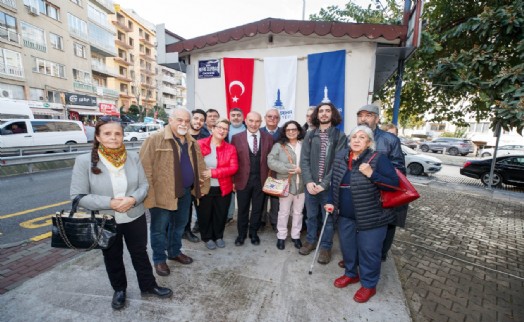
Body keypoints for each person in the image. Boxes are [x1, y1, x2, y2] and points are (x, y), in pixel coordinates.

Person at [70, 118, 172, 310]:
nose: (113, 138)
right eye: (107, 134)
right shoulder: (83, 161)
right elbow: (78, 196)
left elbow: (144, 185)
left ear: (123, 136)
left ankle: (149, 286)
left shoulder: (133, 157)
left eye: (117, 133)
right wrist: (110, 203)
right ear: (98, 137)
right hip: (106, 219)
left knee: (140, 253)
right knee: (112, 256)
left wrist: (132, 199)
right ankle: (119, 290)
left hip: (134, 214)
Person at [325, 125, 399, 303]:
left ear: (369, 142)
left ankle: (368, 285)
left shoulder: (378, 159)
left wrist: (372, 174)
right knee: (348, 248)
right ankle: (351, 274)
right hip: (345, 215)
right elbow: (334, 181)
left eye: (362, 137)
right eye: (354, 137)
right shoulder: (341, 157)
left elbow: (394, 184)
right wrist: (329, 200)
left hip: (372, 216)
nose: (356, 140)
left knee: (369, 252)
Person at [140, 107, 210, 277]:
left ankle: (174, 251)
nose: (184, 123)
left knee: (179, 225)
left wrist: (202, 185)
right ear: (170, 120)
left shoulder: (191, 141)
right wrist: (149, 195)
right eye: (180, 120)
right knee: (159, 228)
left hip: (185, 191)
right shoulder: (155, 139)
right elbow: (144, 168)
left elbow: (200, 165)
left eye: (187, 121)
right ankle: (159, 259)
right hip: (162, 193)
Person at [299, 102, 347, 264]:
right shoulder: (310, 135)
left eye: (328, 111)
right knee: (311, 216)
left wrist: (324, 183)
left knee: (328, 219)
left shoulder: (340, 136)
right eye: (321, 111)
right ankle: (311, 241)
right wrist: (308, 181)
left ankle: (325, 247)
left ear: (332, 114)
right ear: (317, 115)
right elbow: (304, 160)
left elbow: (338, 163)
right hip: (311, 186)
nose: (324, 114)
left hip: (329, 187)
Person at [357, 104, 405, 262]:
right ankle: (356, 256)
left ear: (377, 119)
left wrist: (375, 175)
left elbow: (398, 171)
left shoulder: (390, 139)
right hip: (360, 194)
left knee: (381, 231)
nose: (363, 119)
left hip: (381, 195)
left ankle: (379, 258)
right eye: (360, 115)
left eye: (368, 115)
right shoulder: (352, 137)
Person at [231, 111, 273, 246]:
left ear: (261, 122)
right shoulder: (236, 138)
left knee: (257, 209)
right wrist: (232, 180)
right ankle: (241, 235)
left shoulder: (268, 138)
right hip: (242, 180)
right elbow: (233, 160)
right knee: (242, 209)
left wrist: (270, 179)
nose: (254, 124)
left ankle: (253, 233)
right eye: (251, 121)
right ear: (246, 121)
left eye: (257, 121)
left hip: (261, 180)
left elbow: (271, 161)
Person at [197, 119, 239, 249]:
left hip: (223, 187)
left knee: (221, 214)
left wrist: (213, 173)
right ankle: (207, 237)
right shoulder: (199, 144)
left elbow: (234, 168)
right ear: (213, 128)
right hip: (204, 187)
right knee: (205, 214)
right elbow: (193, 165)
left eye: (225, 129)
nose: (222, 131)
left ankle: (218, 236)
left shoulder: (230, 148)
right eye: (220, 127)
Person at [267, 120, 305, 250]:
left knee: (298, 212)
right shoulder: (279, 145)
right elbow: (271, 161)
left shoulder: (305, 144)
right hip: (285, 183)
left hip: (302, 185)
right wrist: (288, 168)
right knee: (283, 212)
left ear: (299, 131)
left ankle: (296, 236)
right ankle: (281, 236)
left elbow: (311, 162)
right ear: (285, 132)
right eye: (288, 130)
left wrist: (302, 170)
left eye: (294, 129)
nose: (291, 132)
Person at [186, 109, 211, 241]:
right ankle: (186, 231)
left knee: (200, 205)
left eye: (201, 120)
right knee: (185, 207)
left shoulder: (206, 136)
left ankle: (201, 228)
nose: (198, 122)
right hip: (184, 177)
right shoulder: (182, 135)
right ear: (190, 119)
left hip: (200, 177)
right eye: (196, 118)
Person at [260, 108, 282, 232]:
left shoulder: (284, 133)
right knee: (262, 197)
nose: (272, 119)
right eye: (270, 116)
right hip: (262, 170)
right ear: (265, 118)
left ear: (279, 119)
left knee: (276, 198)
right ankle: (262, 220)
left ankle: (274, 221)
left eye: (275, 117)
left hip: (278, 171)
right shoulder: (259, 131)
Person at [225, 107, 247, 225]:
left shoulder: (249, 128)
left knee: (244, 193)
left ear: (243, 117)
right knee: (230, 192)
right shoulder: (224, 130)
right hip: (228, 166)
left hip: (245, 167)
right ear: (229, 117)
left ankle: (244, 217)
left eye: (238, 115)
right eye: (233, 115)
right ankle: (229, 216)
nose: (236, 117)